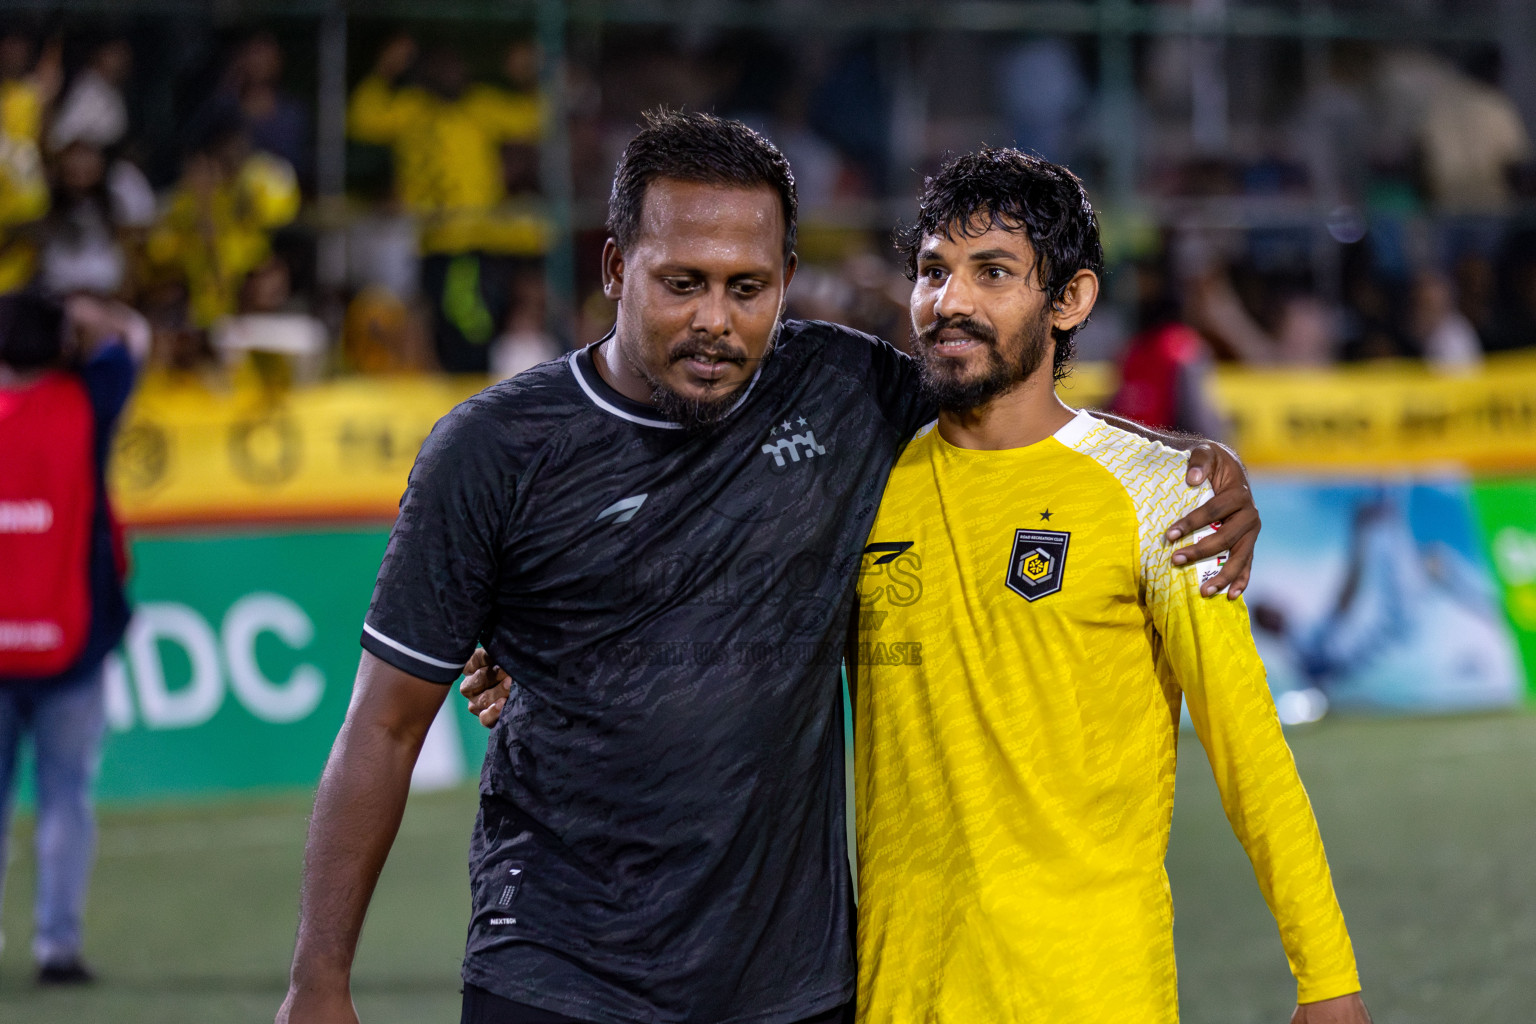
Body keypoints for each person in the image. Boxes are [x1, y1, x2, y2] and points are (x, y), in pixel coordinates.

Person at [278, 112, 1258, 1024]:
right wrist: (318, 977)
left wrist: (1179, 464)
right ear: (617, 266)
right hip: (558, 972)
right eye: (683, 282)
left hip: (791, 988)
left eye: (747, 288)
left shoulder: (843, 391)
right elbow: (385, 724)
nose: (717, 319)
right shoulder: (495, 450)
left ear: (785, 279)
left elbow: (1009, 405)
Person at [848, 148, 1370, 1023]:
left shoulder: (1160, 493)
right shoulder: (865, 481)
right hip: (897, 992)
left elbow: (1251, 751)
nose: (951, 302)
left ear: (1070, 300)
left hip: (1087, 991)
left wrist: (1327, 979)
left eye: (994, 273)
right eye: (934, 271)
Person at [0, 291, 146, 985]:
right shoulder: (86, 399)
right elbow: (132, 337)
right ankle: (56, 944)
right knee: (65, 797)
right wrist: (85, 313)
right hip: (73, 638)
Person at [347, 35, 545, 372]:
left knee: (469, 321)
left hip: (473, 240)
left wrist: (529, 76)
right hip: (425, 238)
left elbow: (536, 117)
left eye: (455, 67)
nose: (450, 74)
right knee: (436, 322)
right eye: (441, 68)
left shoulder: (480, 106)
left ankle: (472, 384)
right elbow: (362, 119)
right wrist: (386, 70)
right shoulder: (412, 109)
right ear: (425, 73)